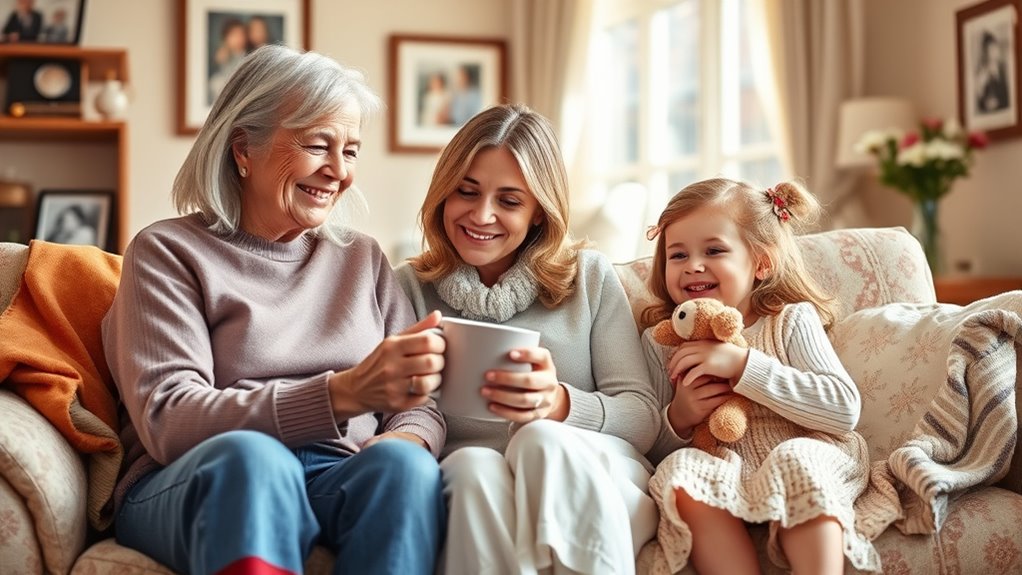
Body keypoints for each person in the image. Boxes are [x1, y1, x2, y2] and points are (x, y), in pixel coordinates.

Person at [102, 45, 447, 575]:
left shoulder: (362, 259)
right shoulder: (167, 253)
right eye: (317, 145)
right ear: (244, 149)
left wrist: (404, 436)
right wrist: (342, 394)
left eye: (351, 151)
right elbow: (169, 418)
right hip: (196, 478)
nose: (338, 172)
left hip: (334, 475)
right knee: (254, 460)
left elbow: (420, 403)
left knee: (403, 467)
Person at [395, 103, 661, 574]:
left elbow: (642, 417)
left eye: (510, 201)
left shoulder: (588, 277)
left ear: (539, 212)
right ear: (443, 194)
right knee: (470, 468)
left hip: (596, 473)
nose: (482, 214)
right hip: (482, 486)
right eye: (466, 191)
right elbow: (399, 413)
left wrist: (557, 404)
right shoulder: (409, 287)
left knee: (540, 439)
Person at [640, 177, 884, 574]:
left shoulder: (789, 321)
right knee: (680, 473)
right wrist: (679, 417)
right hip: (724, 462)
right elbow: (648, 447)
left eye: (714, 250)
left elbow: (843, 409)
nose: (693, 266)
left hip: (804, 446)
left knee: (794, 458)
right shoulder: (661, 341)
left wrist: (743, 367)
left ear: (761, 263)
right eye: (677, 255)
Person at [207, 18, 247, 104]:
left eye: (241, 34)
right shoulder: (221, 55)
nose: (239, 39)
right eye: (234, 35)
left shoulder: (248, 55)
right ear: (226, 38)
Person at [976, 30, 1010, 114]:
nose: (995, 51)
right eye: (991, 49)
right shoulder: (983, 74)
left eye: (996, 47)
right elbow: (980, 100)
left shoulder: (1004, 68)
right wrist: (985, 103)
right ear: (986, 52)